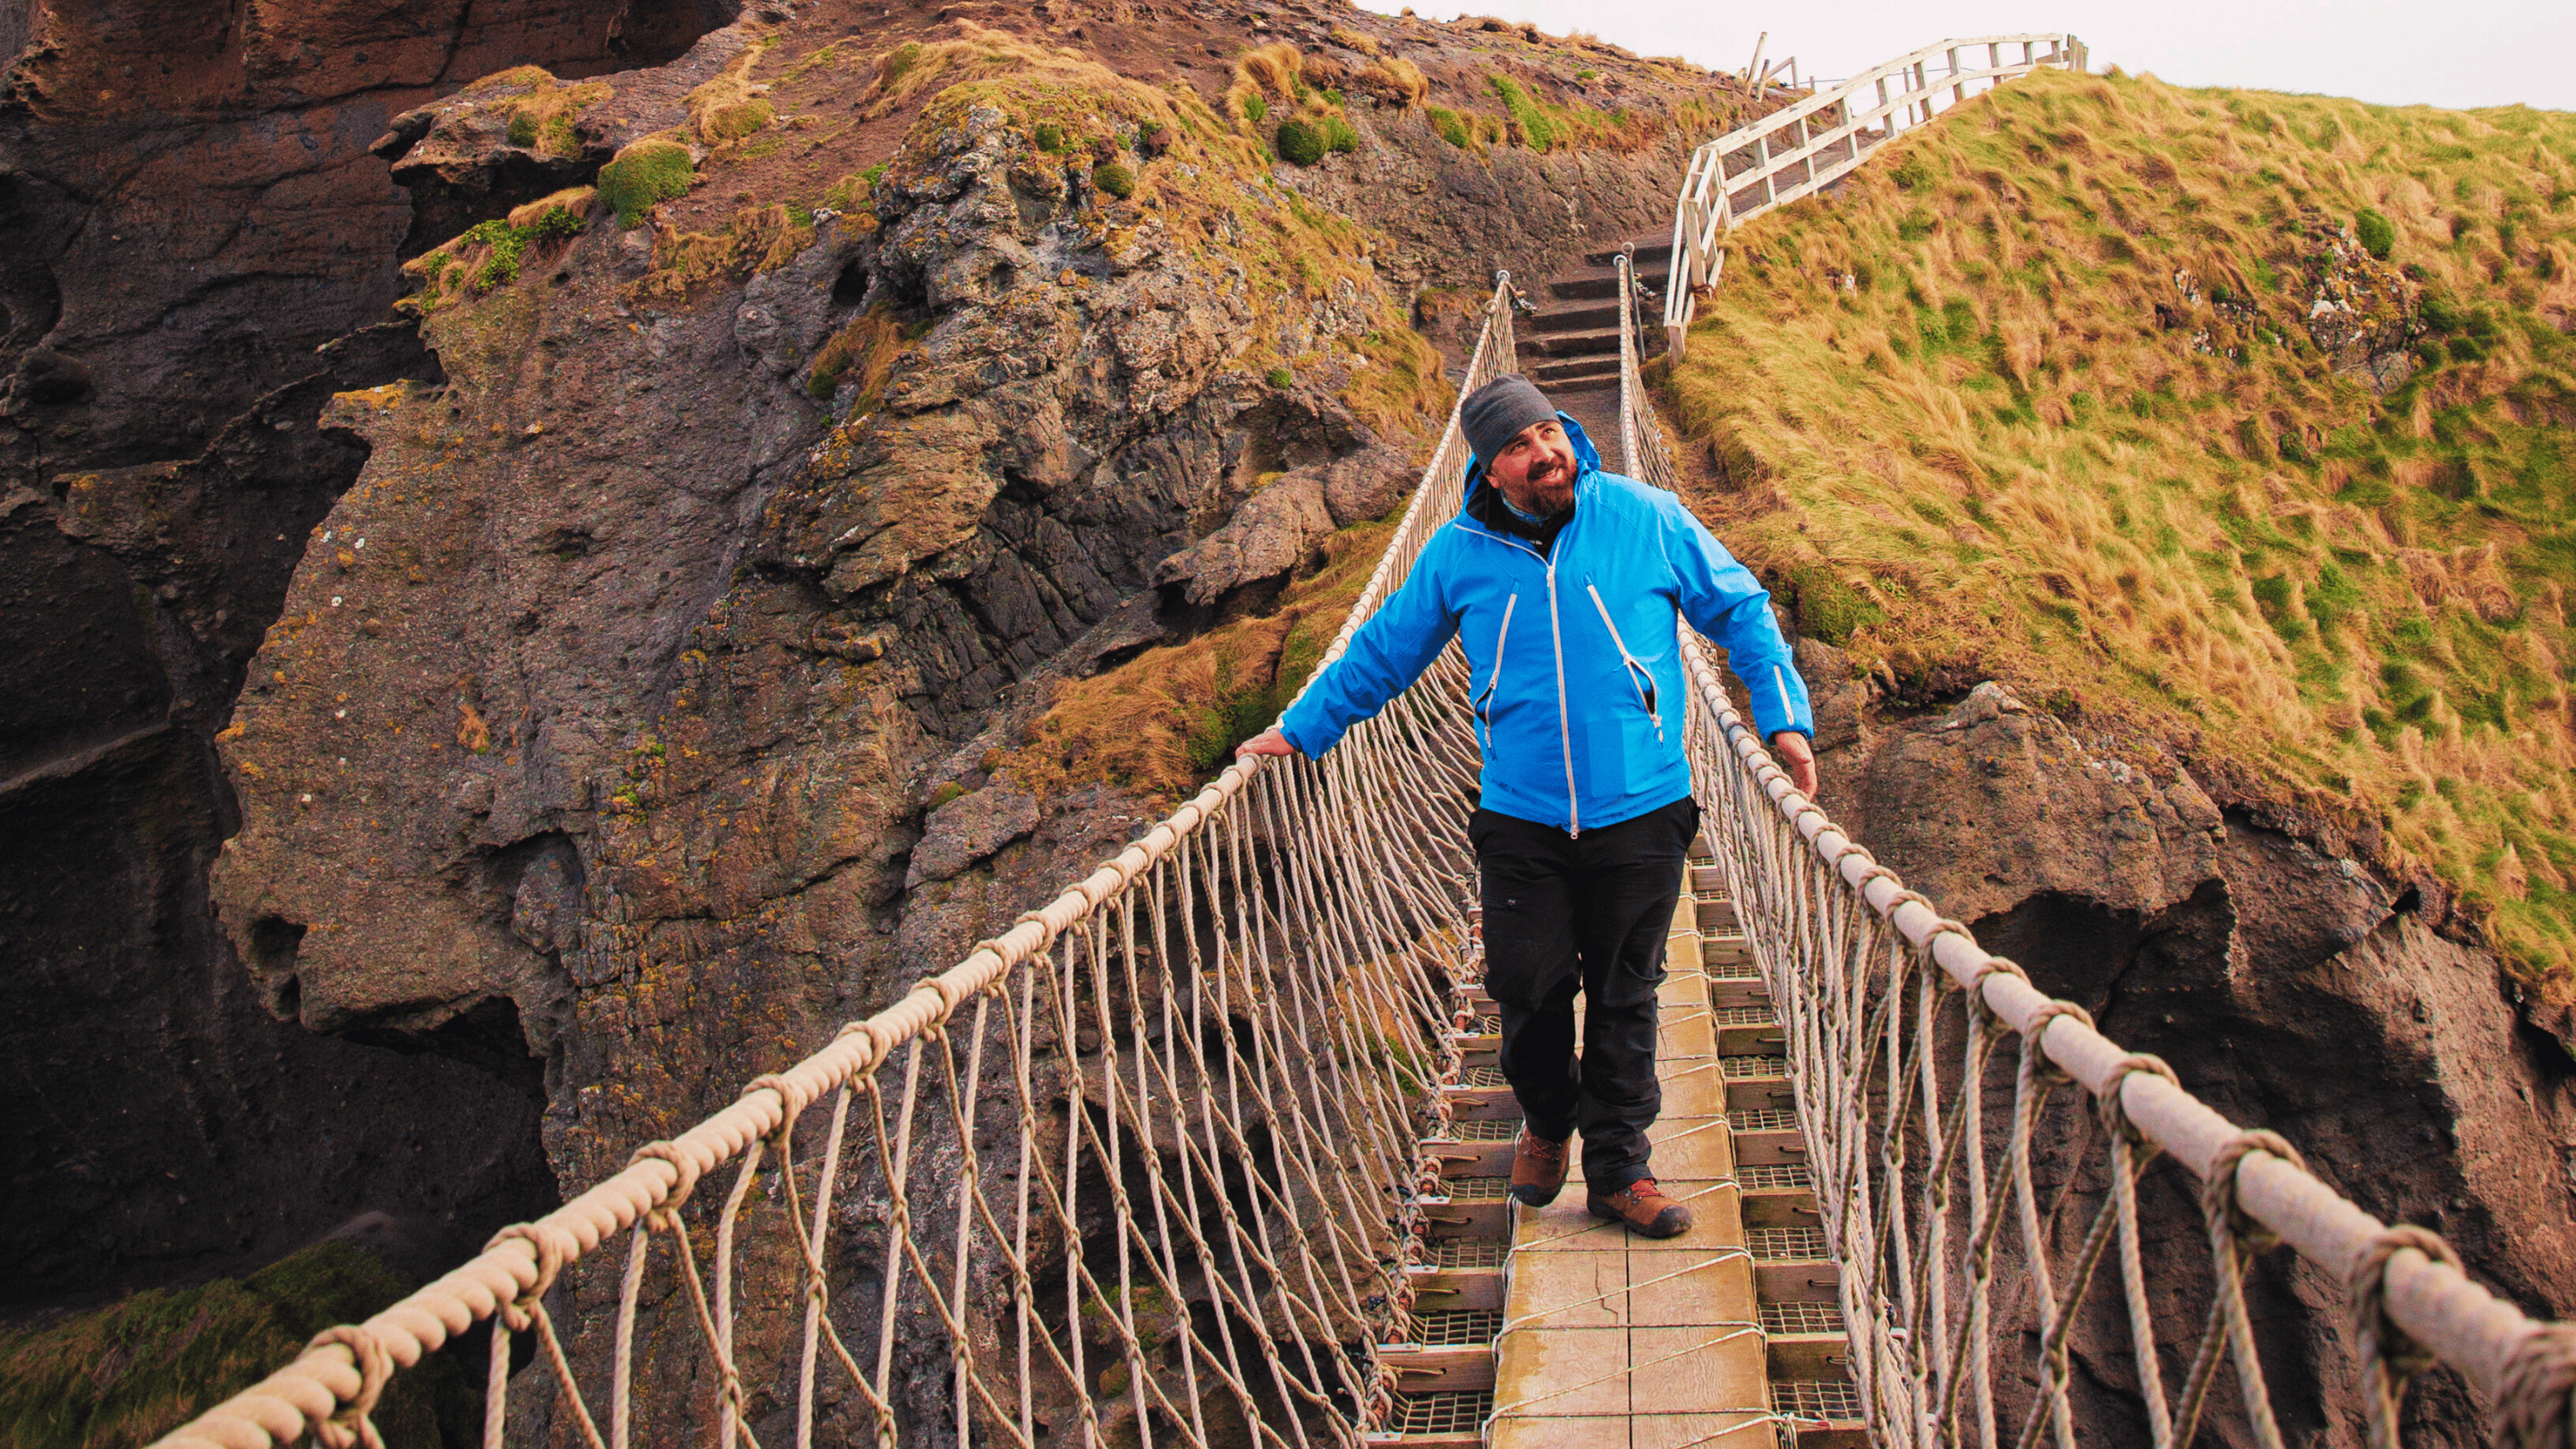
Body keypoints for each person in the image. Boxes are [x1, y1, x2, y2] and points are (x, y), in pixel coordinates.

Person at [1237, 373, 1817, 1238]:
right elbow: (1384, 653)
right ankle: (1548, 1122)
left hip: (1643, 806)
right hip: (1520, 811)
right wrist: (1302, 729)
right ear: (1488, 468)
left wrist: (1784, 721)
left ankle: (1620, 1169)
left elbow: (1740, 610)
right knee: (1526, 987)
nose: (1544, 453)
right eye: (1518, 445)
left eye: (1549, 432)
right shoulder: (1458, 553)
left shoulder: (1644, 516)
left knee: (1627, 995)